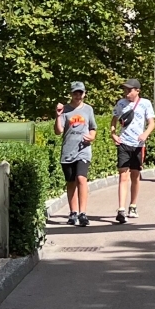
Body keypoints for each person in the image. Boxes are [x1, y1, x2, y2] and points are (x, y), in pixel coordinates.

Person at [110, 77, 155, 223]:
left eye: (129, 90)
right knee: (123, 175)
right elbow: (114, 120)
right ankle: (121, 209)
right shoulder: (121, 103)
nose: (126, 92)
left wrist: (145, 134)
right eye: (125, 89)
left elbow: (152, 123)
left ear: (137, 91)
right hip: (123, 143)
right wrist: (113, 134)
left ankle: (133, 206)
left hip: (138, 145)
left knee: (135, 175)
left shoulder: (145, 103)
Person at [53, 81, 97, 226]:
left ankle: (83, 213)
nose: (78, 96)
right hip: (68, 151)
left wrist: (91, 137)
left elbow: (93, 128)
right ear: (71, 94)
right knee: (71, 181)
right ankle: (73, 213)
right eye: (75, 93)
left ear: (84, 94)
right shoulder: (64, 110)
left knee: (81, 178)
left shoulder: (88, 109)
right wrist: (58, 116)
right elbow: (58, 131)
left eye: (80, 93)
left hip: (83, 150)